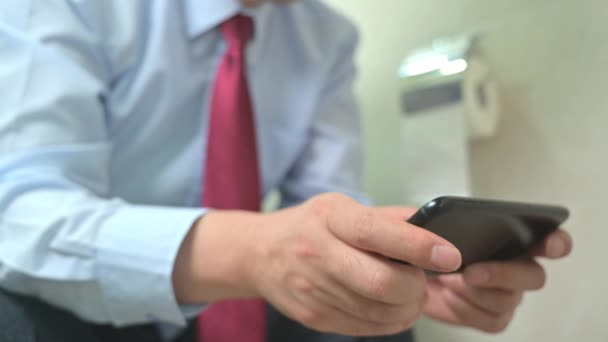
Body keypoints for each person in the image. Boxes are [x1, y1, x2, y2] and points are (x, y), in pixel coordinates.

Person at [0, 0, 572, 341]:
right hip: (76, 305)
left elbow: (331, 204)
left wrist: (392, 272)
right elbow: (19, 216)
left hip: (230, 308)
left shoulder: (324, 38)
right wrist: (251, 251)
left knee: (377, 325)